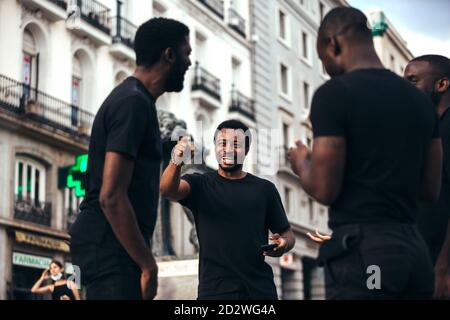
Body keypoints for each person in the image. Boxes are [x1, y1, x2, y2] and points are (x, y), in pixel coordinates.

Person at [288, 7, 442, 299]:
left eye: (322, 58)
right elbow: (430, 189)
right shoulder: (421, 102)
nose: (325, 68)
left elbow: (324, 188)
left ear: (332, 44)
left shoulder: (333, 94)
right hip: (414, 252)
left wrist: (302, 163)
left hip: (368, 254)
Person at [69, 17, 192, 300]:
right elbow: (111, 195)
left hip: (111, 247)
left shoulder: (137, 100)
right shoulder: (133, 102)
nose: (188, 63)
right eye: (186, 54)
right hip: (111, 249)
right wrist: (148, 264)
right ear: (169, 55)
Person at [160, 119, 295, 299]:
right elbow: (167, 190)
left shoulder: (265, 189)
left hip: (259, 292)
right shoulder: (200, 183)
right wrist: (176, 161)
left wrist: (283, 244)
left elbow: (287, 235)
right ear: (215, 147)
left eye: (236, 144)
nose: (228, 149)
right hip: (215, 291)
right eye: (222, 143)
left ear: (246, 151)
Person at [404, 54, 450, 299]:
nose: (405, 88)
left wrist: (443, 268)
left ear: (441, 85)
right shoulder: (434, 130)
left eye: (412, 80)